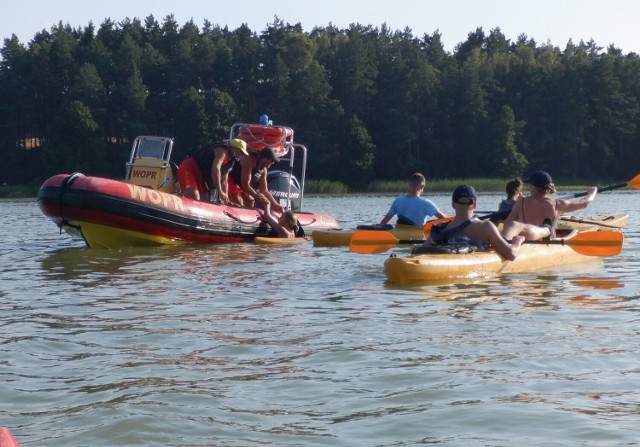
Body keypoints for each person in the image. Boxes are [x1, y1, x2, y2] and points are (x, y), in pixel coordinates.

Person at [412, 184, 524, 260]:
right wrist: (517, 242)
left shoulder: (440, 228)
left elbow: (419, 252)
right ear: (475, 205)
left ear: (453, 205)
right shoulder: (485, 227)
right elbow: (511, 254)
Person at [501, 170, 598, 241]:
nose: (529, 187)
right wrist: (593, 192)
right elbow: (584, 203)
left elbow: (507, 224)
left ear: (534, 188)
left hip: (524, 241)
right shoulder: (557, 204)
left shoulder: (520, 202)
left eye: (530, 185)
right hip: (547, 243)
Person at [177, 138, 249, 203]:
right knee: (194, 197)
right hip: (189, 169)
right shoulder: (222, 151)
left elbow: (224, 181)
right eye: (241, 152)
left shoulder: (231, 161)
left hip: (201, 176)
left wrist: (225, 197)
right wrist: (220, 191)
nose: (242, 155)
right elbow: (216, 169)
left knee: (204, 202)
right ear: (234, 149)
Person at [227, 147, 284, 212]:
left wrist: (275, 204)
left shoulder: (263, 170)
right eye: (271, 160)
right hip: (231, 180)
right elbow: (245, 185)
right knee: (239, 202)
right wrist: (258, 197)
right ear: (264, 159)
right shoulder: (248, 161)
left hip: (241, 185)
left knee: (251, 201)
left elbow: (264, 190)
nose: (272, 163)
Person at [380, 173, 447, 226]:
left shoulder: (398, 201)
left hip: (400, 235)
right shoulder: (426, 203)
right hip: (417, 237)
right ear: (422, 186)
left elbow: (383, 223)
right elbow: (444, 219)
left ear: (410, 185)